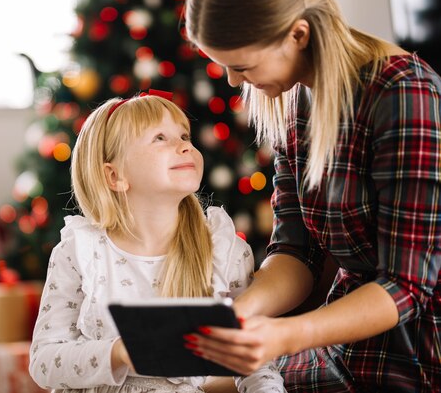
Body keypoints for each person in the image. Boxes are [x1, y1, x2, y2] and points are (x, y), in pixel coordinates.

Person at [182, 0, 441, 392]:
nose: (232, 81)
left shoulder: (404, 93)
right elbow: (296, 252)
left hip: (417, 355)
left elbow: (406, 287)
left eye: (242, 66)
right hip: (346, 343)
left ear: (298, 34)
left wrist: (285, 335)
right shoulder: (300, 101)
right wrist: (239, 314)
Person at [28, 92, 286, 393]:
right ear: (115, 176)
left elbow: (254, 362)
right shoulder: (81, 251)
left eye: (184, 135)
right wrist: (120, 352)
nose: (185, 145)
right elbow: (43, 361)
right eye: (160, 138)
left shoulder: (224, 251)